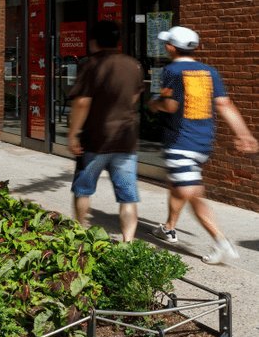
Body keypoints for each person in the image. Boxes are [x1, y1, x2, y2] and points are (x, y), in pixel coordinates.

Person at [148, 26, 258, 264]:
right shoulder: (209, 71)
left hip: (180, 143)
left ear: (170, 47)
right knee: (177, 185)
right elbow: (224, 105)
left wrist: (154, 103)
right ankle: (169, 227)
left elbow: (170, 106)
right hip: (202, 143)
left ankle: (221, 242)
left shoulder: (172, 71)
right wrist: (244, 134)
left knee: (193, 194)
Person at [68, 20, 144, 241]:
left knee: (83, 189)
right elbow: (134, 97)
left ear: (93, 41)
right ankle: (128, 242)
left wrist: (73, 133)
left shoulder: (91, 65)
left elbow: (82, 102)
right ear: (118, 41)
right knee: (128, 196)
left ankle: (80, 232)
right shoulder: (134, 65)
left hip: (95, 139)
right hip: (126, 140)